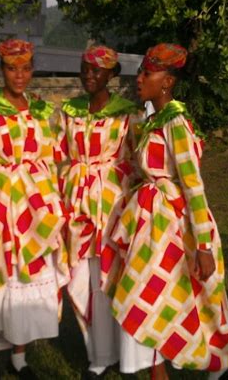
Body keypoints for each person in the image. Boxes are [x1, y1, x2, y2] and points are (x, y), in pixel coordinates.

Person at [110, 43, 228, 380]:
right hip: (151, 223)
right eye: (141, 72)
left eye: (147, 74)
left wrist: (203, 246)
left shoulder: (176, 123)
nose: (139, 79)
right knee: (153, 294)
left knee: (171, 294)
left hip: (172, 225)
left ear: (167, 82)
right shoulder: (153, 120)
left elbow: (193, 186)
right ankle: (164, 370)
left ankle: (213, 364)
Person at [0, 39, 69, 379]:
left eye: (25, 68)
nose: (20, 75)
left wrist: (51, 198)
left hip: (34, 206)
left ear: (32, 70)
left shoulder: (40, 108)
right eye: (12, 68)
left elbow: (51, 156)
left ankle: (19, 356)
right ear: (2, 70)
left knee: (30, 274)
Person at [55, 45, 138, 379]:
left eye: (97, 71)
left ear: (112, 74)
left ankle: (119, 351)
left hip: (112, 204)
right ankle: (98, 352)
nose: (89, 76)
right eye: (84, 69)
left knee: (110, 278)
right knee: (83, 277)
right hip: (77, 205)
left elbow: (135, 159)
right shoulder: (69, 111)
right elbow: (57, 153)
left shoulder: (127, 113)